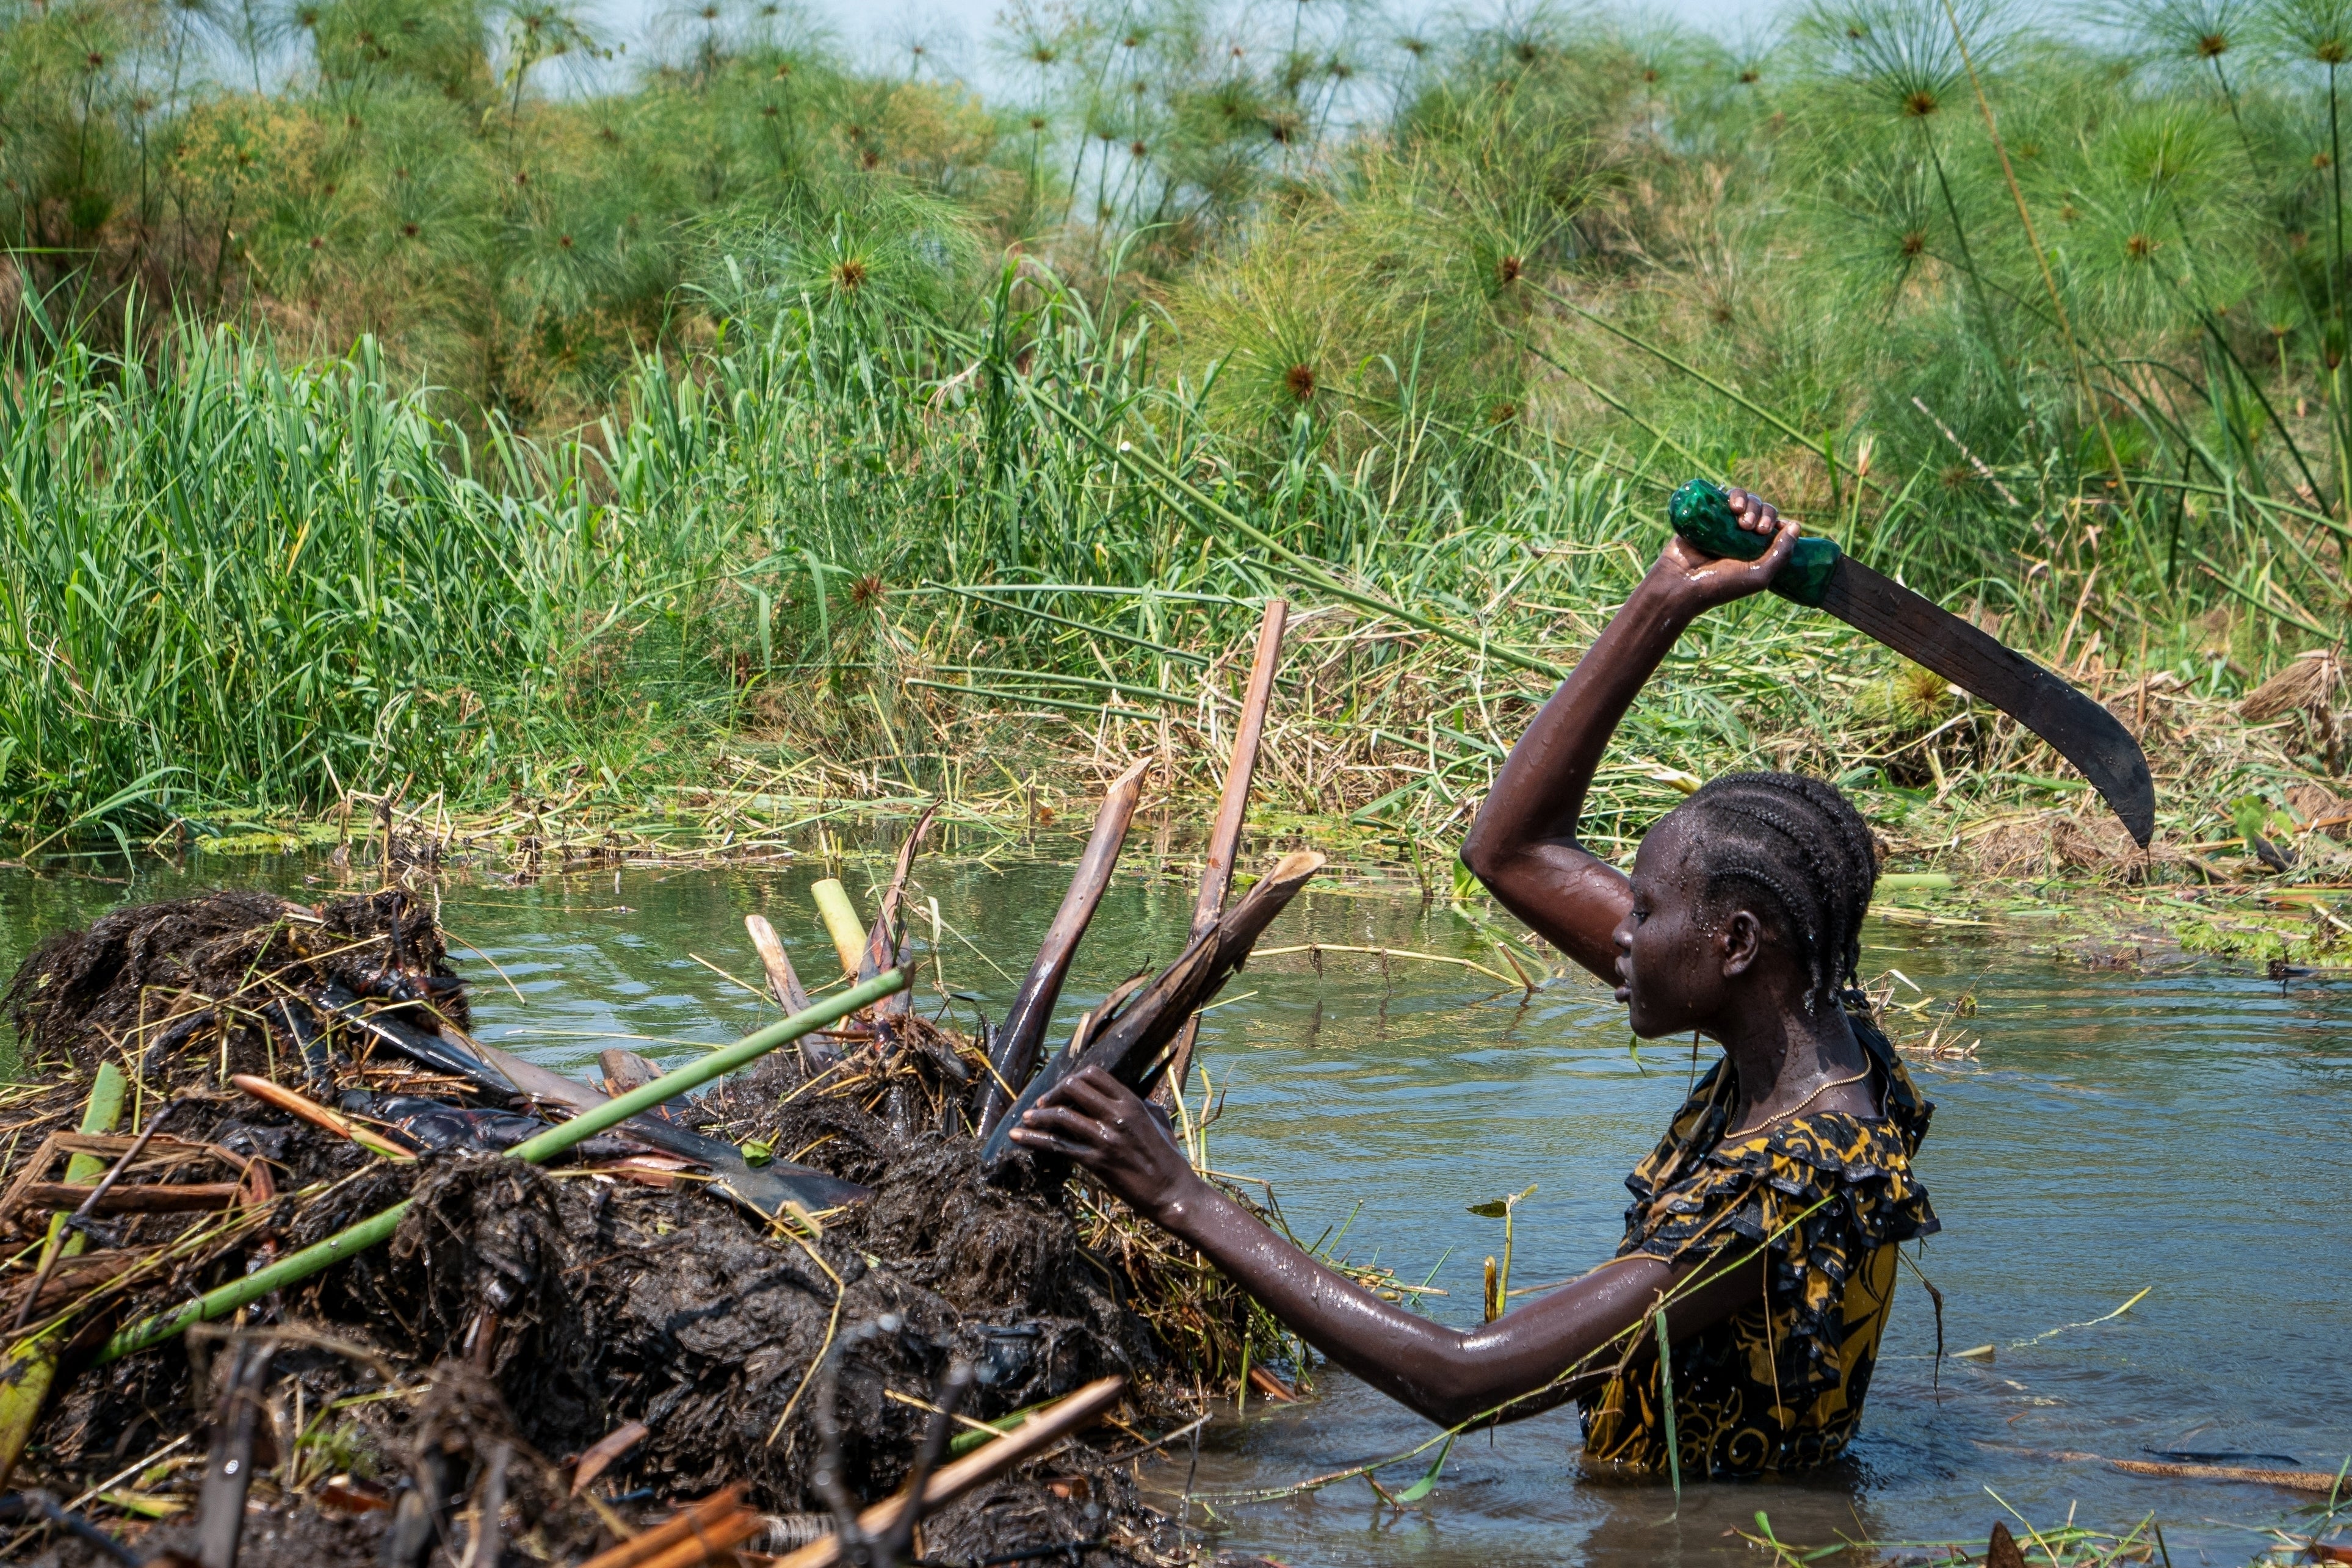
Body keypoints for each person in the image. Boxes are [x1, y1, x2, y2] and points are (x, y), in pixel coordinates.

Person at [1011, 488, 1939, 1478]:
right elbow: (1514, 850)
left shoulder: (1785, 1188)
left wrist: (1182, 1195)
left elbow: (1462, 1380)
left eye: (1647, 909)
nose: (1619, 928)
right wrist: (1667, 591)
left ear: (1735, 944)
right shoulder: (1810, 1040)